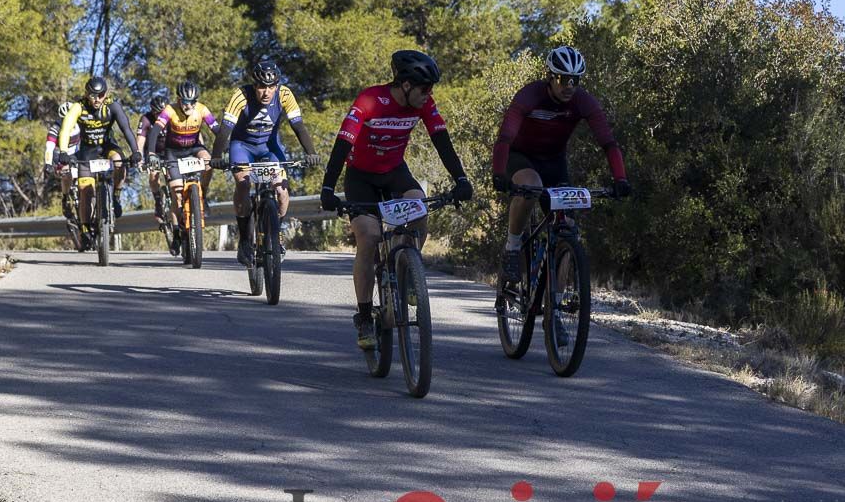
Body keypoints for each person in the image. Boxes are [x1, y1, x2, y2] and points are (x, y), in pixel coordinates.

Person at [318, 50, 474, 349]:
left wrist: (461, 179)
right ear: (405, 85)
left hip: (394, 172)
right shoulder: (370, 100)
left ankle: (406, 271)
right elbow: (342, 145)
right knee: (369, 237)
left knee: (419, 208)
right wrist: (327, 187)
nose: (429, 95)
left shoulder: (424, 104)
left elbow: (442, 142)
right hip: (360, 176)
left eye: (432, 89)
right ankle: (364, 316)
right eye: (425, 88)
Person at [491, 45, 631, 283]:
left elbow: (608, 143)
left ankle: (553, 306)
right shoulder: (529, 96)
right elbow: (505, 138)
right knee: (532, 187)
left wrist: (620, 179)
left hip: (554, 162)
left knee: (568, 227)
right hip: (520, 156)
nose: (570, 86)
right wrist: (499, 173)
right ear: (550, 76)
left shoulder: (583, 102)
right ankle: (512, 247)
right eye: (564, 79)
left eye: (575, 80)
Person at [209, 61, 320, 265]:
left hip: (270, 148)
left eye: (271, 86)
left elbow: (299, 126)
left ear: (277, 85)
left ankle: (277, 234)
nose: (267, 92)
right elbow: (225, 130)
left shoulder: (285, 94)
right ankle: (244, 241)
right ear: (254, 85)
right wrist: (216, 157)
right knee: (243, 185)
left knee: (281, 190)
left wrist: (310, 153)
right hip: (242, 147)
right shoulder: (240, 95)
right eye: (261, 86)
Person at [57, 76, 141, 230]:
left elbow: (126, 129)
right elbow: (66, 129)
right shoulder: (78, 107)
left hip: (108, 146)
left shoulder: (112, 106)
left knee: (119, 162)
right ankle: (85, 227)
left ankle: (116, 195)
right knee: (85, 192)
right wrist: (63, 151)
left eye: (101, 95)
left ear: (106, 94)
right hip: (87, 151)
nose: (97, 99)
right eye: (93, 95)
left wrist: (135, 151)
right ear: (86, 94)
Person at [145, 81, 217, 226]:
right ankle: (177, 229)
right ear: (178, 100)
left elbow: (217, 130)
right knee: (177, 194)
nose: (188, 106)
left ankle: (203, 194)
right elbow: (154, 131)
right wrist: (152, 153)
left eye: (193, 102)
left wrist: (226, 150)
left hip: (194, 147)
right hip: (173, 152)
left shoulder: (202, 109)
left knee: (209, 162)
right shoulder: (170, 110)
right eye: (185, 102)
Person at [44, 102, 80, 224]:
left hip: (76, 152)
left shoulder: (80, 123)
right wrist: (48, 163)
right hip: (60, 154)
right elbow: (49, 148)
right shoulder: (55, 128)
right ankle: (65, 198)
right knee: (66, 174)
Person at [136, 93, 170, 222]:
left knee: (172, 177)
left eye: (163, 113)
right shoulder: (146, 119)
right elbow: (140, 140)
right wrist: (139, 158)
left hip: (169, 152)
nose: (160, 117)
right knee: (154, 174)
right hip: (153, 152)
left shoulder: (172, 117)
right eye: (157, 113)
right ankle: (158, 201)